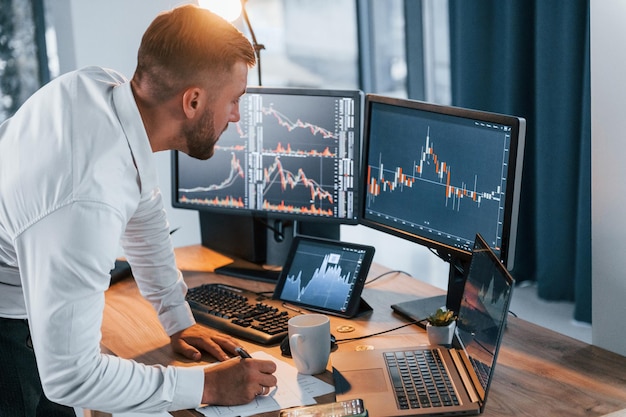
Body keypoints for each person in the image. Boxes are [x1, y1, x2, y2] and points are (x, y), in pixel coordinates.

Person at [0, 4, 278, 416]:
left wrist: (178, 318)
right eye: (234, 100)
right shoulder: (86, 197)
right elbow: (71, 377)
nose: (236, 117)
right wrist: (206, 386)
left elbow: (144, 213)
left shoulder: (101, 89)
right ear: (193, 100)